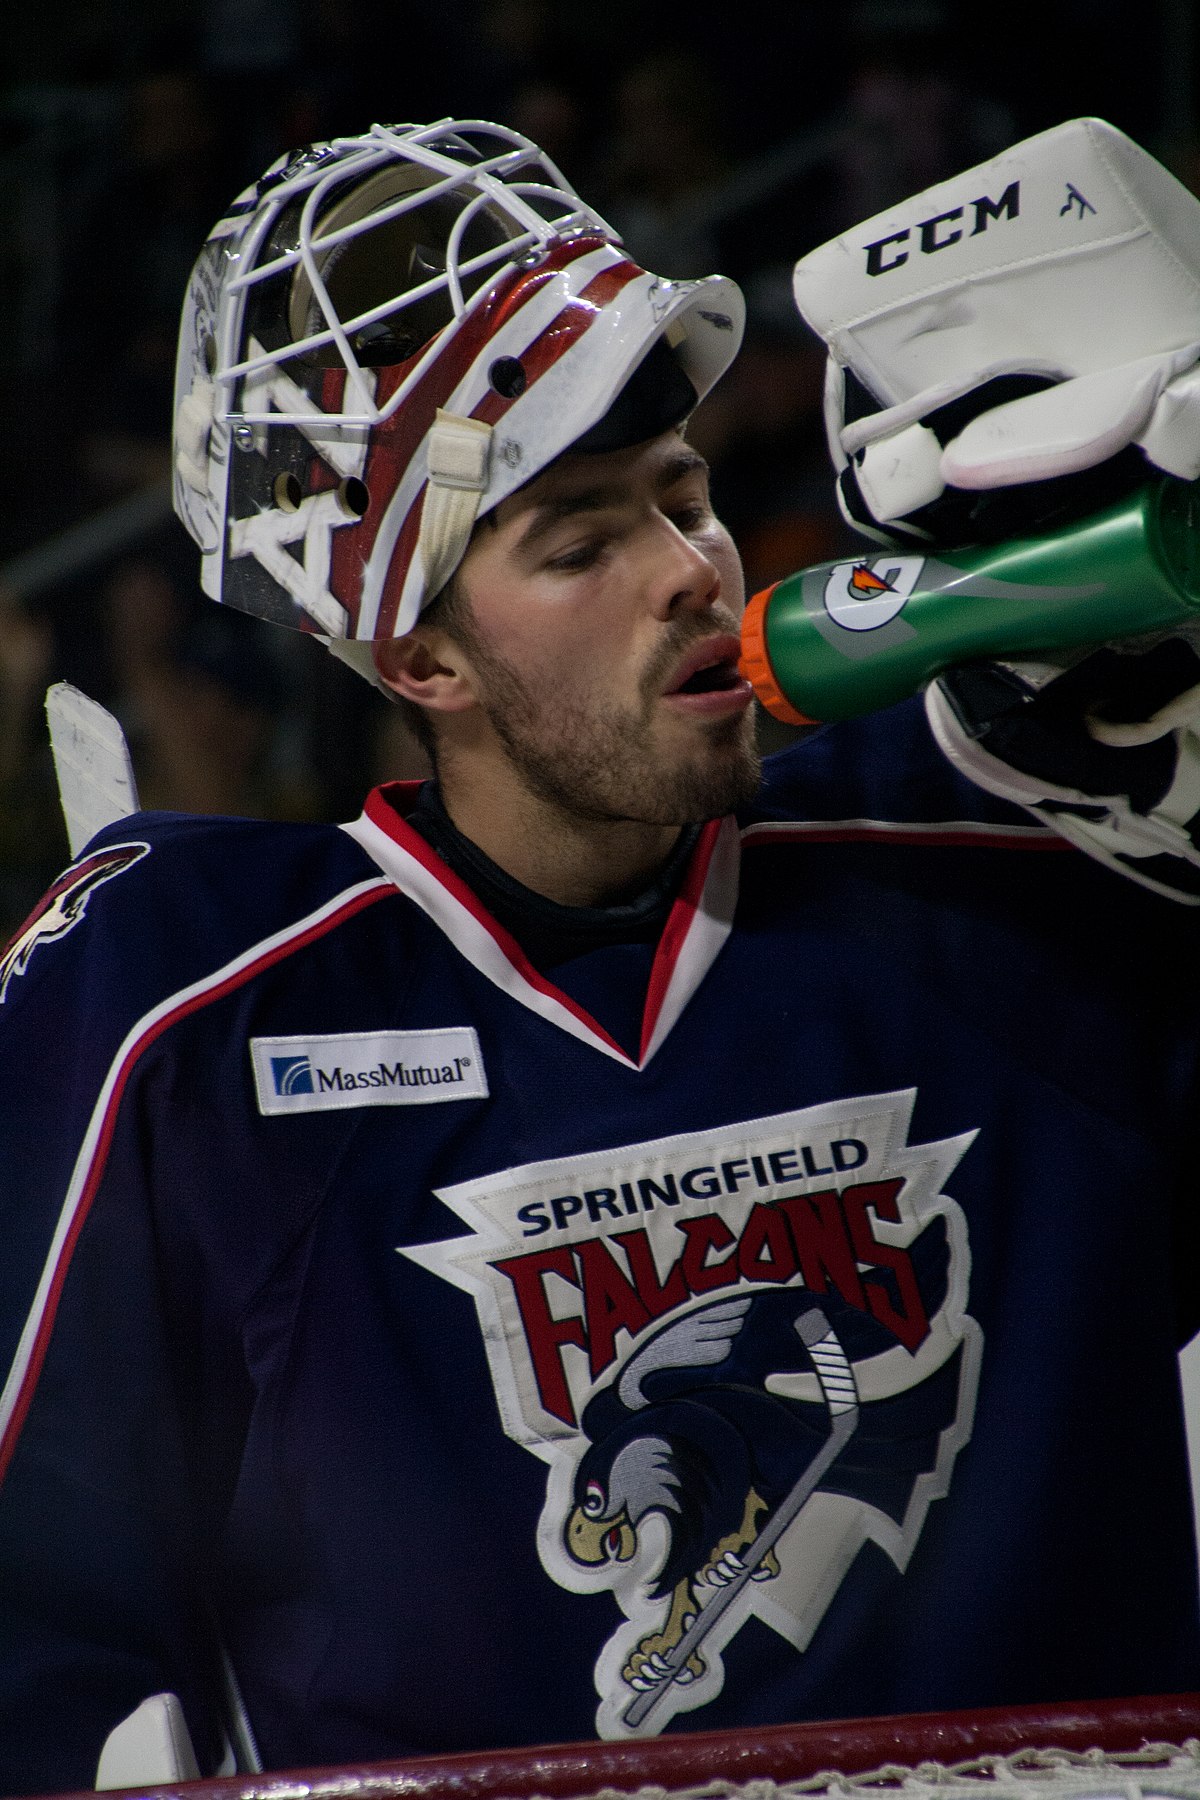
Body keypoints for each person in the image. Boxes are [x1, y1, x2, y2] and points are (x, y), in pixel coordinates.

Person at [2, 117, 1200, 1795]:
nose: (691, 575)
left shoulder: (1021, 839)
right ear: (416, 656)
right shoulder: (188, 1002)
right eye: (579, 545)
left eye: (686, 495)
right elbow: (44, 1624)